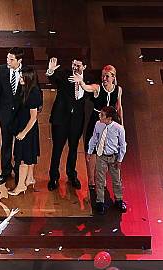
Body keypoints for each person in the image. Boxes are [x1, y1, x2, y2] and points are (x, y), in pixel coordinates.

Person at [73, 65, 123, 194]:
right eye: (103, 76)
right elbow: (86, 88)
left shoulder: (118, 90)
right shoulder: (97, 88)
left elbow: (118, 107)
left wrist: (121, 124)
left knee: (107, 151)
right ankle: (91, 180)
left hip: (110, 123)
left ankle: (101, 179)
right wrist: (81, 81)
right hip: (96, 122)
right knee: (93, 151)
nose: (104, 78)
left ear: (113, 77)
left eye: (107, 76)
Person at [46, 56, 88, 191]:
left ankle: (71, 175)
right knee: (57, 149)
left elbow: (93, 91)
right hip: (60, 119)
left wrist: (81, 82)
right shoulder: (64, 74)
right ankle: (53, 177)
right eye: (73, 64)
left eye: (78, 65)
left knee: (74, 149)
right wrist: (51, 71)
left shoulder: (88, 79)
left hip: (76, 121)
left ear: (84, 67)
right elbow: (53, 79)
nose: (75, 67)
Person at [0, 47, 27, 185]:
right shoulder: (3, 70)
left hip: (20, 115)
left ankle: (19, 171)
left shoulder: (27, 72)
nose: (8, 61)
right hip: (5, 114)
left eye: (11, 59)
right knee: (6, 143)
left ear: (19, 60)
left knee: (19, 145)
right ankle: (6, 171)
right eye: (7, 58)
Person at [86, 106, 127, 215]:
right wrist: (90, 152)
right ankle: (100, 201)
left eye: (102, 115)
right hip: (101, 156)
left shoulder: (119, 128)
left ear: (109, 118)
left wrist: (120, 160)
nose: (100, 116)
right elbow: (94, 138)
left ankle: (119, 199)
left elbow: (123, 145)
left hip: (113, 157)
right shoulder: (98, 125)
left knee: (116, 179)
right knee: (99, 179)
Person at [8, 66, 42, 196]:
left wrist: (23, 133)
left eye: (22, 77)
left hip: (27, 130)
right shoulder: (25, 89)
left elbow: (33, 117)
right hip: (23, 127)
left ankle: (21, 185)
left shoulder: (33, 93)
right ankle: (29, 178)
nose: (20, 78)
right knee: (29, 156)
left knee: (22, 159)